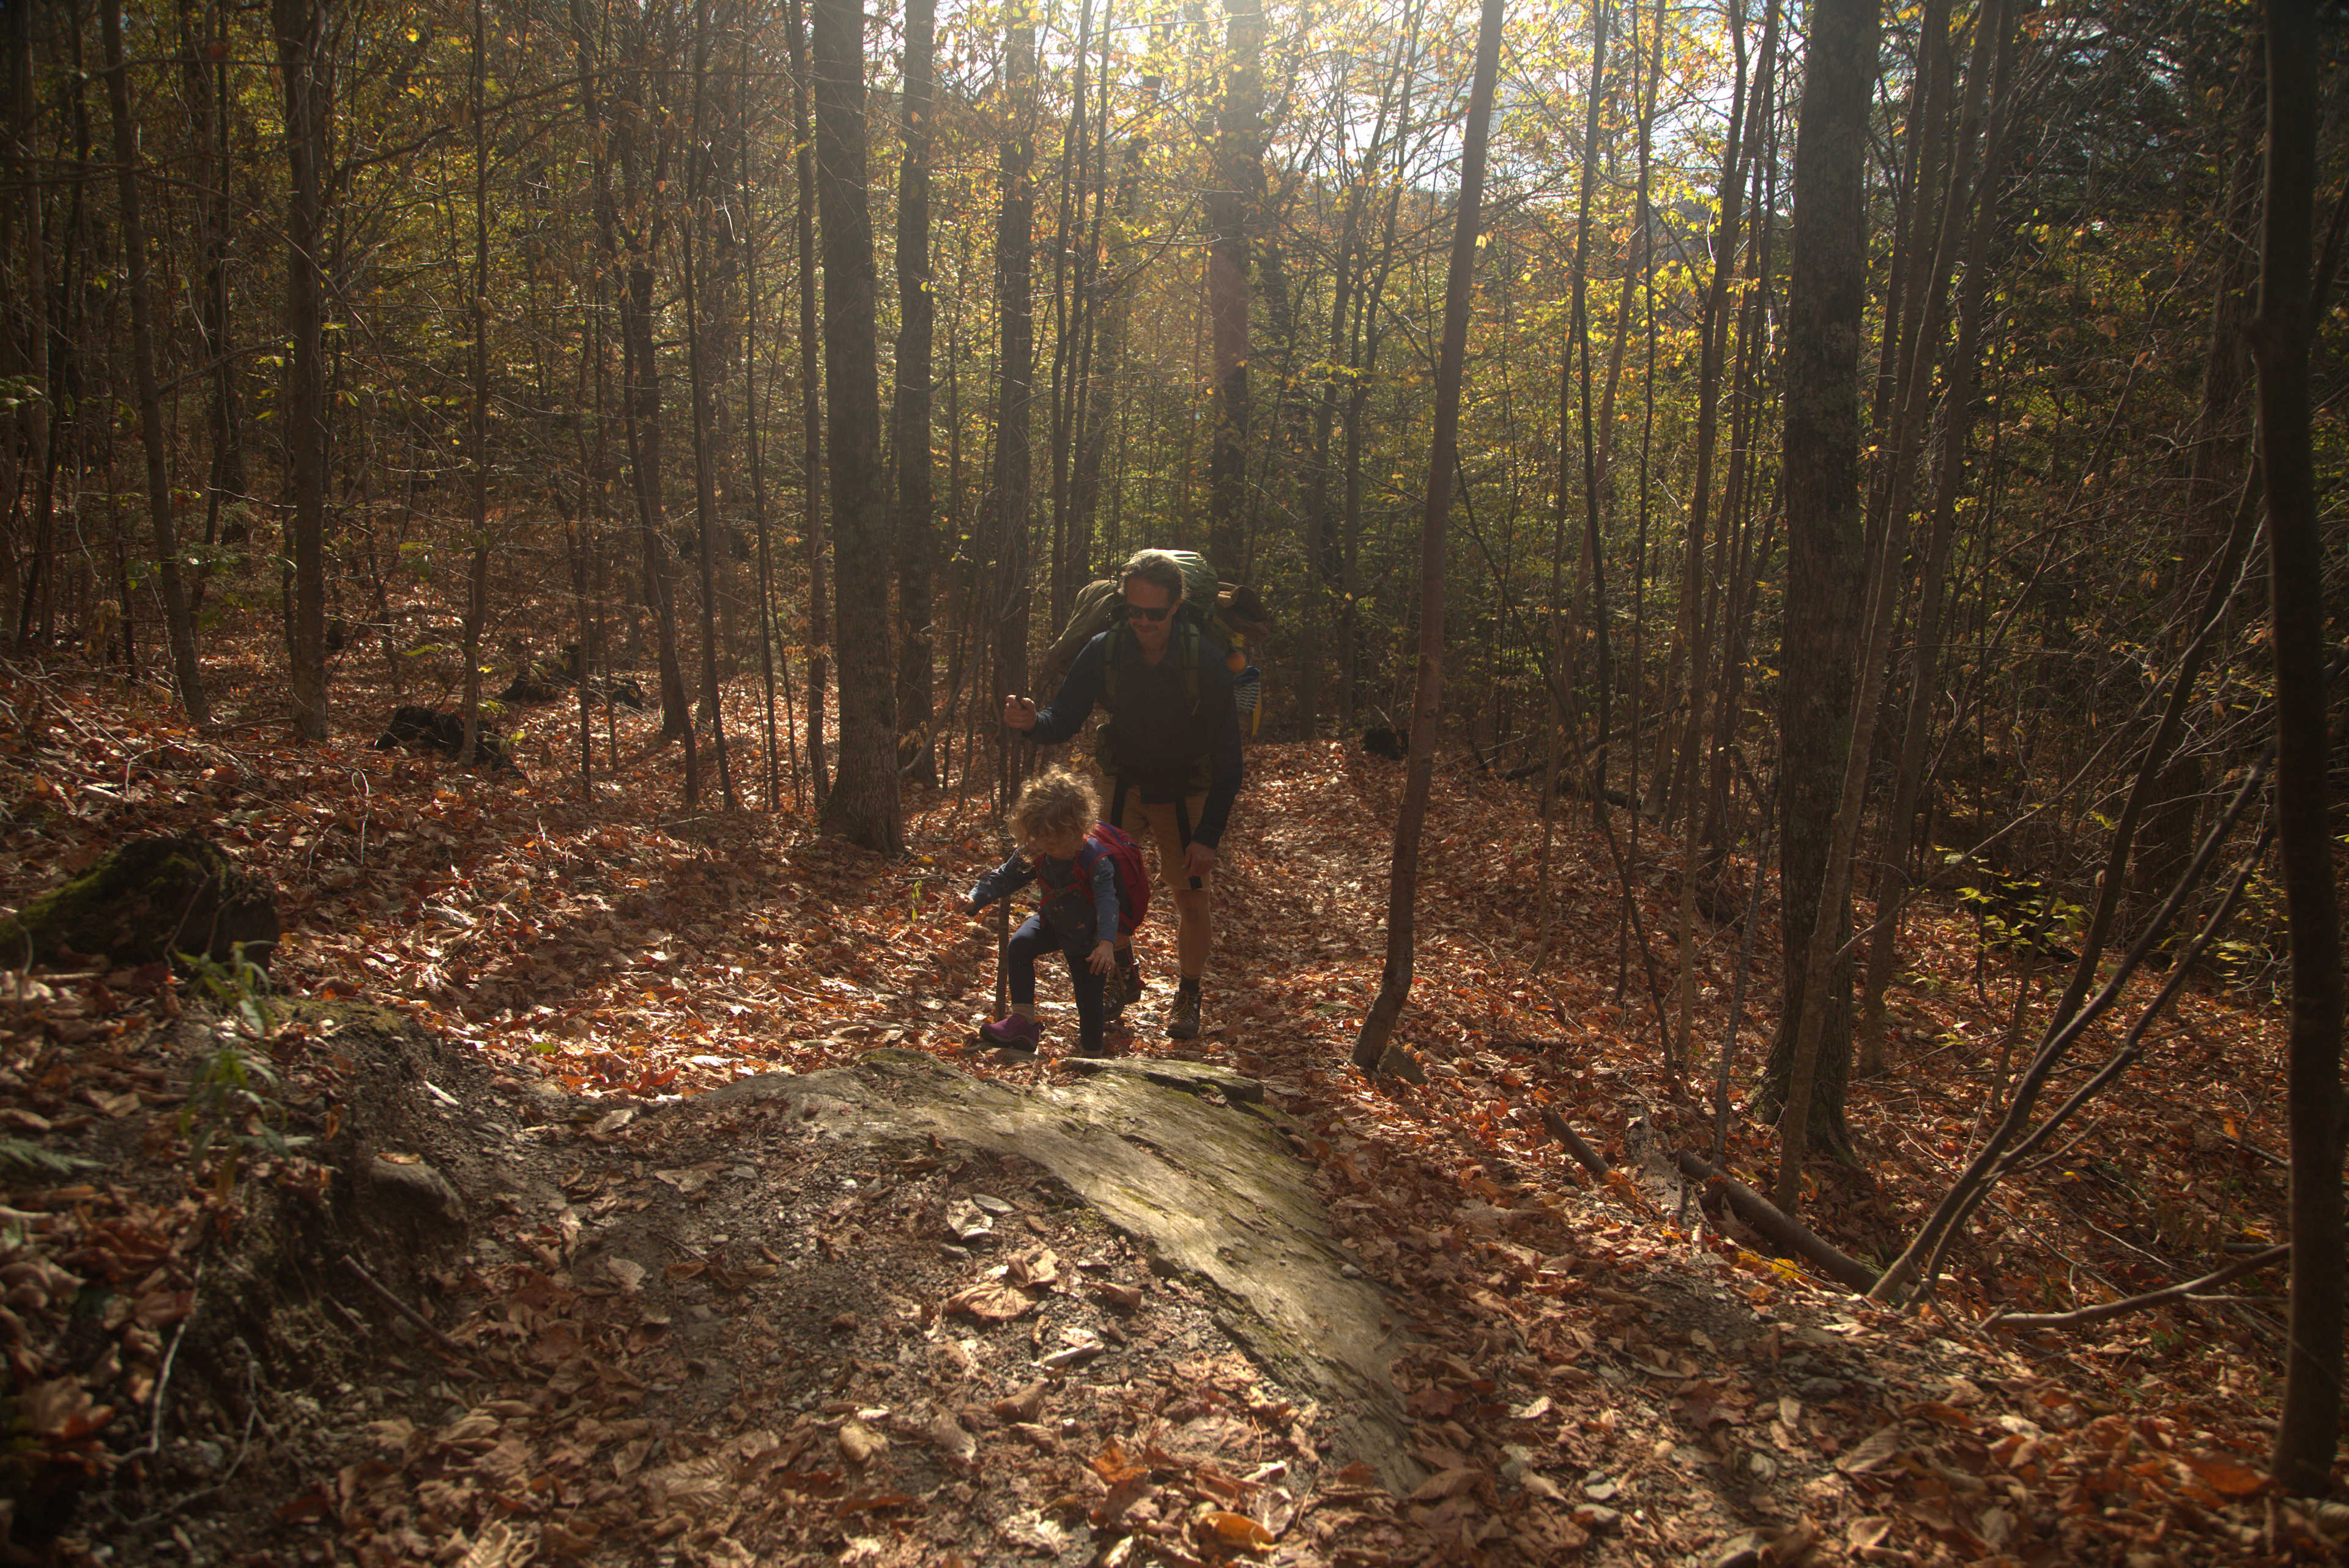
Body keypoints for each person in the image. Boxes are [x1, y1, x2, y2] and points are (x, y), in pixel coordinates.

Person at [1003, 549, 1242, 1040]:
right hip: (1123, 785)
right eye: (1134, 611)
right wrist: (1031, 724)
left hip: (1187, 790)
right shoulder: (1106, 648)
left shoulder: (1205, 660)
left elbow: (1228, 758)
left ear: (1177, 605)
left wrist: (1209, 835)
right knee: (1094, 883)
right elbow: (1063, 718)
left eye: (1154, 613)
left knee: (1192, 899)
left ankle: (1189, 995)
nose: (1143, 622)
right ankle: (1121, 976)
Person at [960, 769, 1129, 1059]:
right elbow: (1004, 877)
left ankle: (1092, 1057)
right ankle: (1022, 1023)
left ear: (1077, 829)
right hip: (1051, 921)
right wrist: (974, 898)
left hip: (1088, 941)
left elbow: (1107, 901)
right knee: (1020, 945)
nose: (1047, 848)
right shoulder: (1036, 848)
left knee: (1089, 1002)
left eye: (1054, 842)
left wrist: (1106, 944)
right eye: (1042, 840)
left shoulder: (1095, 859)